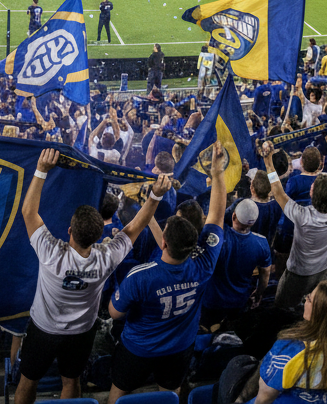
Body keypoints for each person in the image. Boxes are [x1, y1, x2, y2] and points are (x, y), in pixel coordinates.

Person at [14, 147, 171, 404]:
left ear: (69, 231)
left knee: (28, 380)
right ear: (99, 237)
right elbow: (135, 227)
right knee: (71, 381)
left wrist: (42, 170)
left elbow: (28, 212)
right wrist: (154, 196)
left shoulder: (51, 253)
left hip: (44, 329)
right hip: (81, 332)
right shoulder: (105, 257)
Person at [106, 140, 227, 401]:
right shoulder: (204, 264)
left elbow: (114, 312)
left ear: (163, 242)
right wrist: (218, 174)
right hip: (180, 347)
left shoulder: (140, 277)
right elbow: (217, 216)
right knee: (170, 394)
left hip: (138, 347)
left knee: (118, 392)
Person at [260, 125, 327, 309]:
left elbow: (278, 192)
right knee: (315, 304)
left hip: (298, 271)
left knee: (283, 305)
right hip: (323, 267)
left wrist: (268, 162)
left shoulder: (303, 215)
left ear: (313, 195)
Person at [199, 198, 273, 327]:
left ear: (233, 215)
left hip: (212, 300)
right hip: (239, 301)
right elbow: (265, 274)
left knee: (205, 332)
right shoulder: (262, 243)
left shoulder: (218, 236)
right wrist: (259, 293)